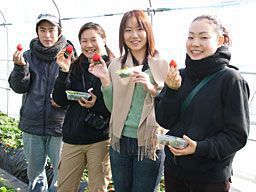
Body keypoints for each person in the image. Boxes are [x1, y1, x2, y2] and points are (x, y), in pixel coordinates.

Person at [154, 15, 250, 192]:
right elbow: (164, 120)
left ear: (219, 40)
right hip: (175, 172)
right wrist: (171, 91)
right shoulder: (178, 76)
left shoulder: (231, 80)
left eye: (203, 37)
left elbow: (237, 135)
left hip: (210, 178)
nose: (195, 43)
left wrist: (199, 148)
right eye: (190, 37)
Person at [89, 10, 168, 192]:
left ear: (148, 31)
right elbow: (112, 107)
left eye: (139, 29)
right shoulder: (117, 65)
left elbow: (169, 109)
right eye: (128, 30)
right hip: (120, 141)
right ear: (122, 35)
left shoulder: (162, 65)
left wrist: (152, 88)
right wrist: (105, 81)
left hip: (149, 143)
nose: (134, 35)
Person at [8, 13, 72, 191]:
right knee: (35, 175)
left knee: (62, 175)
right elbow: (18, 87)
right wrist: (19, 67)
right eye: (42, 30)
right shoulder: (27, 56)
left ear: (59, 32)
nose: (47, 35)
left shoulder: (69, 57)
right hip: (32, 126)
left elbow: (74, 90)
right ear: (37, 32)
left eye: (51, 30)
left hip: (60, 126)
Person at [52, 22, 114, 192]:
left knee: (97, 188)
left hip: (100, 139)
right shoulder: (75, 66)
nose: (88, 45)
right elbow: (59, 99)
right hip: (73, 138)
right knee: (65, 188)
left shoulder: (113, 67)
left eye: (93, 40)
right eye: (84, 41)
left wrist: (97, 103)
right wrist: (64, 71)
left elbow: (117, 105)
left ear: (104, 40)